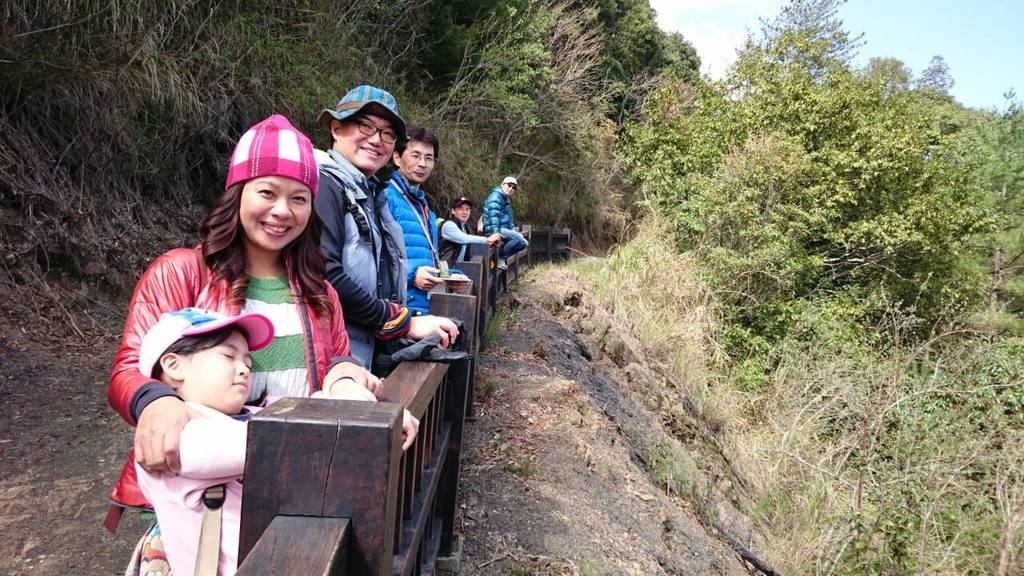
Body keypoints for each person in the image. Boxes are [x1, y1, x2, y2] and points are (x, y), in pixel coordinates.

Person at [106, 115, 416, 567]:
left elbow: (336, 358)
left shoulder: (319, 290)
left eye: (299, 199)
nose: (282, 211)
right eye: (267, 192)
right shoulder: (181, 272)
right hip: (205, 504)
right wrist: (155, 401)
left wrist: (350, 385)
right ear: (238, 194)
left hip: (296, 491)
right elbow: (130, 366)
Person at [132, 308, 421, 576]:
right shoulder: (173, 439)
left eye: (247, 360)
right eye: (227, 356)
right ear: (174, 366)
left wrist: (357, 395)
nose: (245, 369)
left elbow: (310, 410)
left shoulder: (251, 414)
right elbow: (283, 437)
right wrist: (372, 418)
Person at [314, 86, 458, 367]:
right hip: (330, 362)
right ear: (336, 128)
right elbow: (323, 275)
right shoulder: (324, 186)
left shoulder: (369, 193)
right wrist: (399, 321)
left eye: (387, 133)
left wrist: (404, 322)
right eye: (365, 126)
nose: (376, 140)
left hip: (356, 355)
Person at [384, 125, 467, 313]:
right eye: (415, 155)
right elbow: (376, 261)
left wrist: (451, 276)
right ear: (397, 157)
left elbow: (429, 261)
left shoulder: (425, 209)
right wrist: (412, 275)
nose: (422, 163)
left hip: (426, 306)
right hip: (400, 311)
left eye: (429, 158)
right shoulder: (385, 198)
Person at [438, 196, 502, 269]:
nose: (464, 212)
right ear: (453, 211)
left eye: (467, 209)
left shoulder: (466, 227)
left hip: (460, 267)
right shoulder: (448, 225)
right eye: (460, 208)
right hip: (446, 269)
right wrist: (487, 240)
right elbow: (463, 238)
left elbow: (473, 240)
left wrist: (492, 243)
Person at [482, 175, 529, 268]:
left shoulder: (505, 198)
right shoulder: (496, 197)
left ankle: (500, 257)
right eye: (509, 185)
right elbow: (493, 217)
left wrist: (513, 231)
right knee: (520, 240)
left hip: (502, 229)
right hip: (493, 229)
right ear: (503, 184)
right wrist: (496, 234)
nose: (511, 188)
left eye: (514, 187)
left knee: (522, 242)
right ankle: (498, 257)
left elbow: (509, 221)